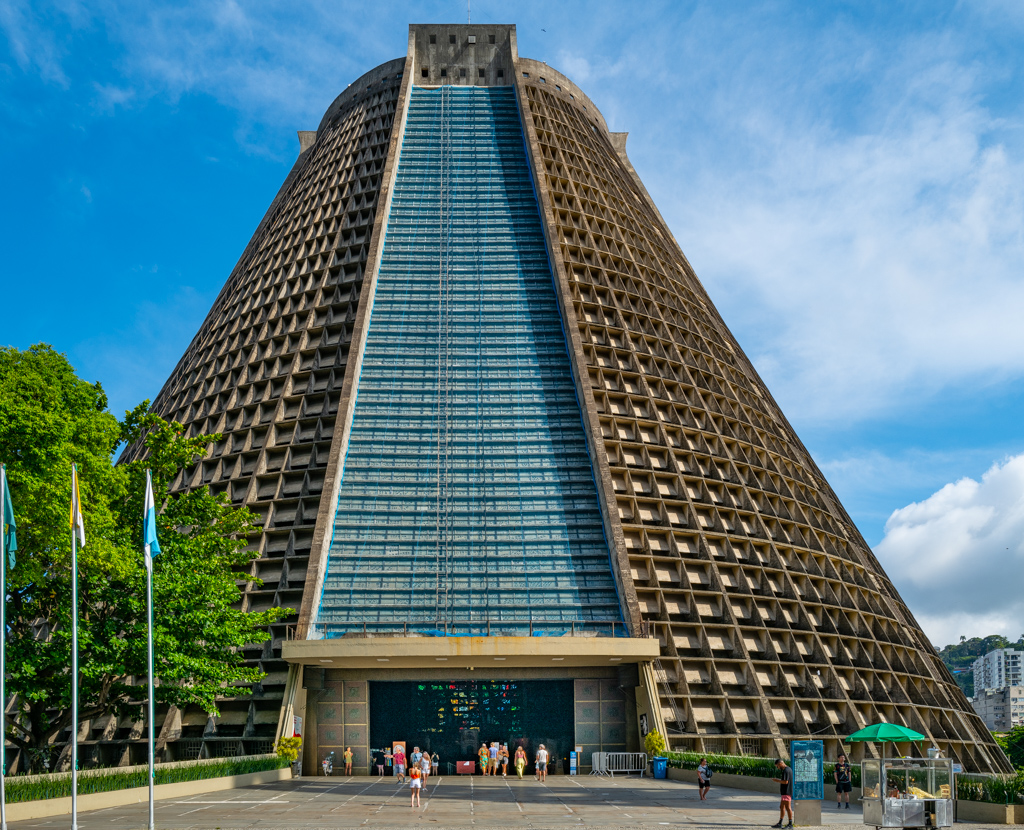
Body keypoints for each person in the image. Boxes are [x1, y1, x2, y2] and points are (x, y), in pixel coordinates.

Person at [771, 758, 794, 829]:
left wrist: (777, 780)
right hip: (785, 792)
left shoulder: (786, 770)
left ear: (780, 764)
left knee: (788, 807)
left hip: (787, 792)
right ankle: (780, 822)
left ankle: (790, 824)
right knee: (782, 807)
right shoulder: (788, 769)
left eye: (777, 766)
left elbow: (785, 781)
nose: (777, 768)